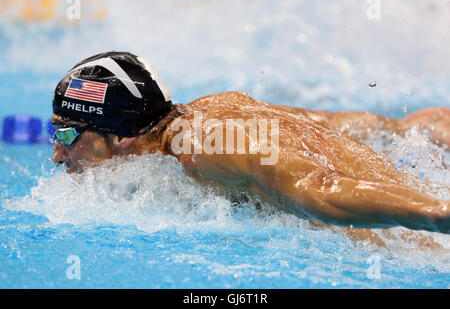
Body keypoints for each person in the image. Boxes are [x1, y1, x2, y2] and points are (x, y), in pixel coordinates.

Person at [51, 51, 450, 245]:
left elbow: (318, 188)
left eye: (69, 135)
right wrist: (408, 127)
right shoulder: (213, 109)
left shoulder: (201, 146)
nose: (57, 154)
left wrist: (437, 216)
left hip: (420, 243)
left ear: (122, 135)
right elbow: (326, 123)